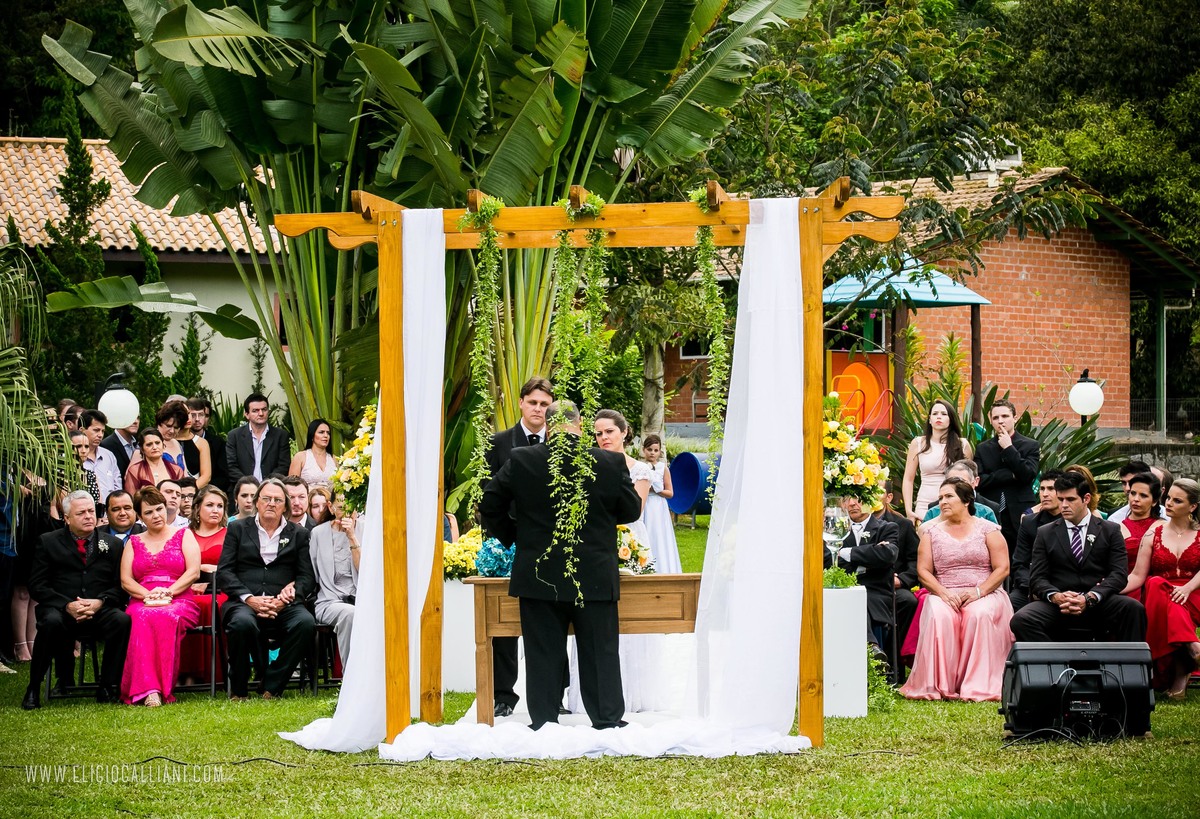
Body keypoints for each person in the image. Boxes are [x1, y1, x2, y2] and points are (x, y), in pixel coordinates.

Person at [480, 400, 642, 730]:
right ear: (580, 426)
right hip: (594, 573)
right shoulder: (608, 462)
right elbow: (630, 510)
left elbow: (489, 503)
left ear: (549, 427)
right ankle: (607, 718)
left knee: (543, 651)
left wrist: (517, 537)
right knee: (600, 650)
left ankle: (544, 719)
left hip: (538, 573)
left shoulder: (522, 459)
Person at [901, 478, 1012, 701]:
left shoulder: (989, 529)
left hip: (984, 591)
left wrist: (978, 592)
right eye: (941, 498)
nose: (943, 502)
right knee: (939, 614)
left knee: (977, 614)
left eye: (949, 496)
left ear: (966, 500)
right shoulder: (931, 532)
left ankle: (977, 685)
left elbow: (1003, 568)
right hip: (944, 591)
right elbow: (923, 572)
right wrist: (943, 593)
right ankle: (940, 684)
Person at [483, 376, 554, 718]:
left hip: (553, 546)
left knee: (554, 619)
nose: (539, 409)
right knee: (505, 621)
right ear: (522, 403)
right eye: (534, 403)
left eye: (545, 404)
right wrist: (508, 537)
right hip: (509, 543)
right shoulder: (498, 444)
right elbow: (489, 498)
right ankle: (502, 694)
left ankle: (555, 693)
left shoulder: (563, 443)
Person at [22, 490, 130, 709]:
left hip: (99, 608)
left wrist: (100, 602)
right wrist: (66, 605)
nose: (89, 516)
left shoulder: (113, 544)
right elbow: (37, 585)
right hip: (60, 608)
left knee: (122, 620)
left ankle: (108, 685)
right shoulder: (48, 541)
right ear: (67, 518)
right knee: (50, 622)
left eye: (91, 511)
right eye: (81, 513)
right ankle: (34, 687)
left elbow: (120, 585)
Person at [1009, 472, 1146, 643]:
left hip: (1097, 602)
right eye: (1060, 499)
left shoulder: (1110, 530)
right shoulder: (1045, 533)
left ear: (1086, 498)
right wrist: (1056, 596)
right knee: (1021, 620)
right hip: (1059, 604)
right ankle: (1058, 663)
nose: (1064, 505)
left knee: (1133, 609)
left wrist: (1090, 597)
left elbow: (1118, 574)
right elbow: (1037, 578)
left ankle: (1128, 667)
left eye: (1070, 499)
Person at [216, 477, 315, 700]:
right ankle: (239, 690)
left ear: (285, 505)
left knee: (305, 623)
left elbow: (307, 576)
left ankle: (272, 684)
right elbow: (225, 571)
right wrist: (249, 598)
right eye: (266, 499)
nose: (271, 503)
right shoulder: (237, 529)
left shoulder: (299, 534)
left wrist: (286, 598)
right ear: (257, 503)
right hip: (245, 602)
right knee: (242, 623)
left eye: (277, 500)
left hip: (284, 602)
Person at [592, 408, 661, 713]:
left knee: (632, 611)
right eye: (598, 433)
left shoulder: (640, 470)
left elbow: (635, 509)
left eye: (609, 431)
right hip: (596, 543)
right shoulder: (589, 466)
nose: (604, 437)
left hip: (630, 541)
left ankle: (633, 691)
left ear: (624, 432)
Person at [118, 487, 201, 706]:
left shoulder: (184, 534)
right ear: (140, 516)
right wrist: (147, 595)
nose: (156, 515)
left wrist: (168, 592)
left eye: (159, 509)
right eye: (149, 512)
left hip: (180, 598)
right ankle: (149, 689)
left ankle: (163, 686)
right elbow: (126, 580)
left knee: (165, 616)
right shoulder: (133, 541)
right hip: (141, 598)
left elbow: (193, 571)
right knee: (140, 617)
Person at [1135, 478, 1200, 699]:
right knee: (1155, 583)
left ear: (1192, 507)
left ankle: (1183, 662)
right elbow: (1137, 576)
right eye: (1168, 498)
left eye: (1177, 500)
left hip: (1195, 593)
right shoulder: (1154, 534)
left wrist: (1188, 588)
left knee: (1169, 598)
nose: (1169, 503)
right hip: (1163, 594)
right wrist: (1107, 588)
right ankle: (1191, 652)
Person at [826, 494, 907, 664]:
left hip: (876, 594)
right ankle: (871, 648)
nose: (853, 503)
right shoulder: (832, 529)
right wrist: (870, 556)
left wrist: (845, 553)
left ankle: (871, 648)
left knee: (859, 598)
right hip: (841, 591)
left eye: (859, 498)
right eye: (847, 498)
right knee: (849, 597)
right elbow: (827, 561)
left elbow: (887, 556)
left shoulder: (887, 527)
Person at [975, 400, 1041, 556]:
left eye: (1005, 416)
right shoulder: (983, 448)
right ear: (991, 421)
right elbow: (979, 481)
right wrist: (1008, 475)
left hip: (1020, 510)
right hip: (991, 510)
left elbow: (1027, 476)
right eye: (996, 417)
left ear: (1015, 418)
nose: (1001, 421)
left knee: (1021, 557)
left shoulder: (1030, 445)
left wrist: (1009, 448)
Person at [179, 485, 229, 686]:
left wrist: (211, 573)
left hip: (220, 591)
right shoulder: (183, 535)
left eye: (220, 506)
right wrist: (198, 570)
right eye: (210, 505)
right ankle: (184, 674)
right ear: (197, 508)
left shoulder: (231, 534)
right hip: (186, 590)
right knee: (184, 606)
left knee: (211, 605)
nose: (216, 510)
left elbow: (235, 568)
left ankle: (211, 673)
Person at [310, 495, 362, 668]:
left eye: (351, 509)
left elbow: (366, 572)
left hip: (362, 598)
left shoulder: (367, 529)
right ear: (331, 507)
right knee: (350, 614)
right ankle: (351, 676)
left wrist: (352, 537)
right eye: (341, 508)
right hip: (329, 600)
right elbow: (312, 574)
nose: (346, 514)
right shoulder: (318, 533)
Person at [903, 399, 972, 524]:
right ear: (929, 419)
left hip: (954, 505)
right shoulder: (918, 443)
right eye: (935, 414)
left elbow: (969, 480)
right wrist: (909, 510)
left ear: (951, 419)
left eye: (944, 414)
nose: (938, 417)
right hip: (924, 504)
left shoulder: (963, 445)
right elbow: (908, 479)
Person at [1009, 470, 1065, 611]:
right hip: (1031, 587)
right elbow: (1019, 564)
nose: (1045, 494)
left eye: (1051, 489)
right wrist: (1038, 589)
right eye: (1042, 489)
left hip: (1065, 587)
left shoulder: (1073, 522)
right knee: (1009, 604)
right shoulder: (1029, 523)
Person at [225, 393, 291, 484]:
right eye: (255, 411)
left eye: (264, 409)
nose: (261, 414)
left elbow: (283, 466)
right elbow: (231, 467)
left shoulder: (280, 435)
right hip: (242, 488)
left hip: (271, 488)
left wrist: (266, 485)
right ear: (246, 414)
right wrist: (249, 485)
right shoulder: (234, 436)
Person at [1118, 472, 1164, 601]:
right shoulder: (1115, 528)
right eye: (1132, 493)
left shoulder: (1164, 527)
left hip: (1157, 590)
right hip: (1125, 589)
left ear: (1154, 501)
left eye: (1143, 495)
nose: (1135, 499)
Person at [639, 434, 680, 574]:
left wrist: (657, 489)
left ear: (660, 452)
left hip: (658, 504)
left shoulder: (663, 468)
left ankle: (663, 565)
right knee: (646, 532)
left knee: (659, 534)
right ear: (644, 450)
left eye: (656, 450)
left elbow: (670, 492)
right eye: (649, 449)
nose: (652, 453)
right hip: (645, 503)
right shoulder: (640, 467)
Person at [921, 460, 999, 524]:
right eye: (952, 481)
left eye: (962, 482)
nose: (956, 486)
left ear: (974, 482)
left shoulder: (987, 512)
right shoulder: (933, 512)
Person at [156, 400, 211, 488]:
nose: (188, 418)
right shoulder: (158, 441)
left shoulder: (199, 443)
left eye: (189, 413)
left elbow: (205, 476)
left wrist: (188, 491)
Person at [124, 428, 185, 495]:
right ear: (142, 449)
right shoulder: (135, 470)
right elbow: (131, 498)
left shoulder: (176, 470)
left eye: (157, 443)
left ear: (163, 445)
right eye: (149, 444)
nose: (155, 447)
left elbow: (182, 494)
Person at [80, 409, 121, 503]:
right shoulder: (71, 457)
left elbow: (117, 488)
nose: (100, 435)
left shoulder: (109, 456)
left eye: (102, 431)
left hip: (109, 514)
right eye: (96, 430)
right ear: (82, 430)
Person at [188, 398, 229, 492]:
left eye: (201, 415)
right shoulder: (178, 441)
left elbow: (223, 476)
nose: (197, 419)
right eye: (193, 415)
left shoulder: (218, 443)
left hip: (209, 492)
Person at [289, 418, 338, 489]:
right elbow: (291, 486)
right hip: (307, 498)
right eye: (321, 432)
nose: (325, 435)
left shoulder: (334, 459)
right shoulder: (300, 457)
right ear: (312, 435)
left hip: (330, 499)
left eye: (328, 433)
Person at [70, 430, 101, 513]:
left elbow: (99, 503)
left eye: (86, 446)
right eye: (79, 446)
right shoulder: (60, 475)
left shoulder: (91, 475)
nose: (83, 450)